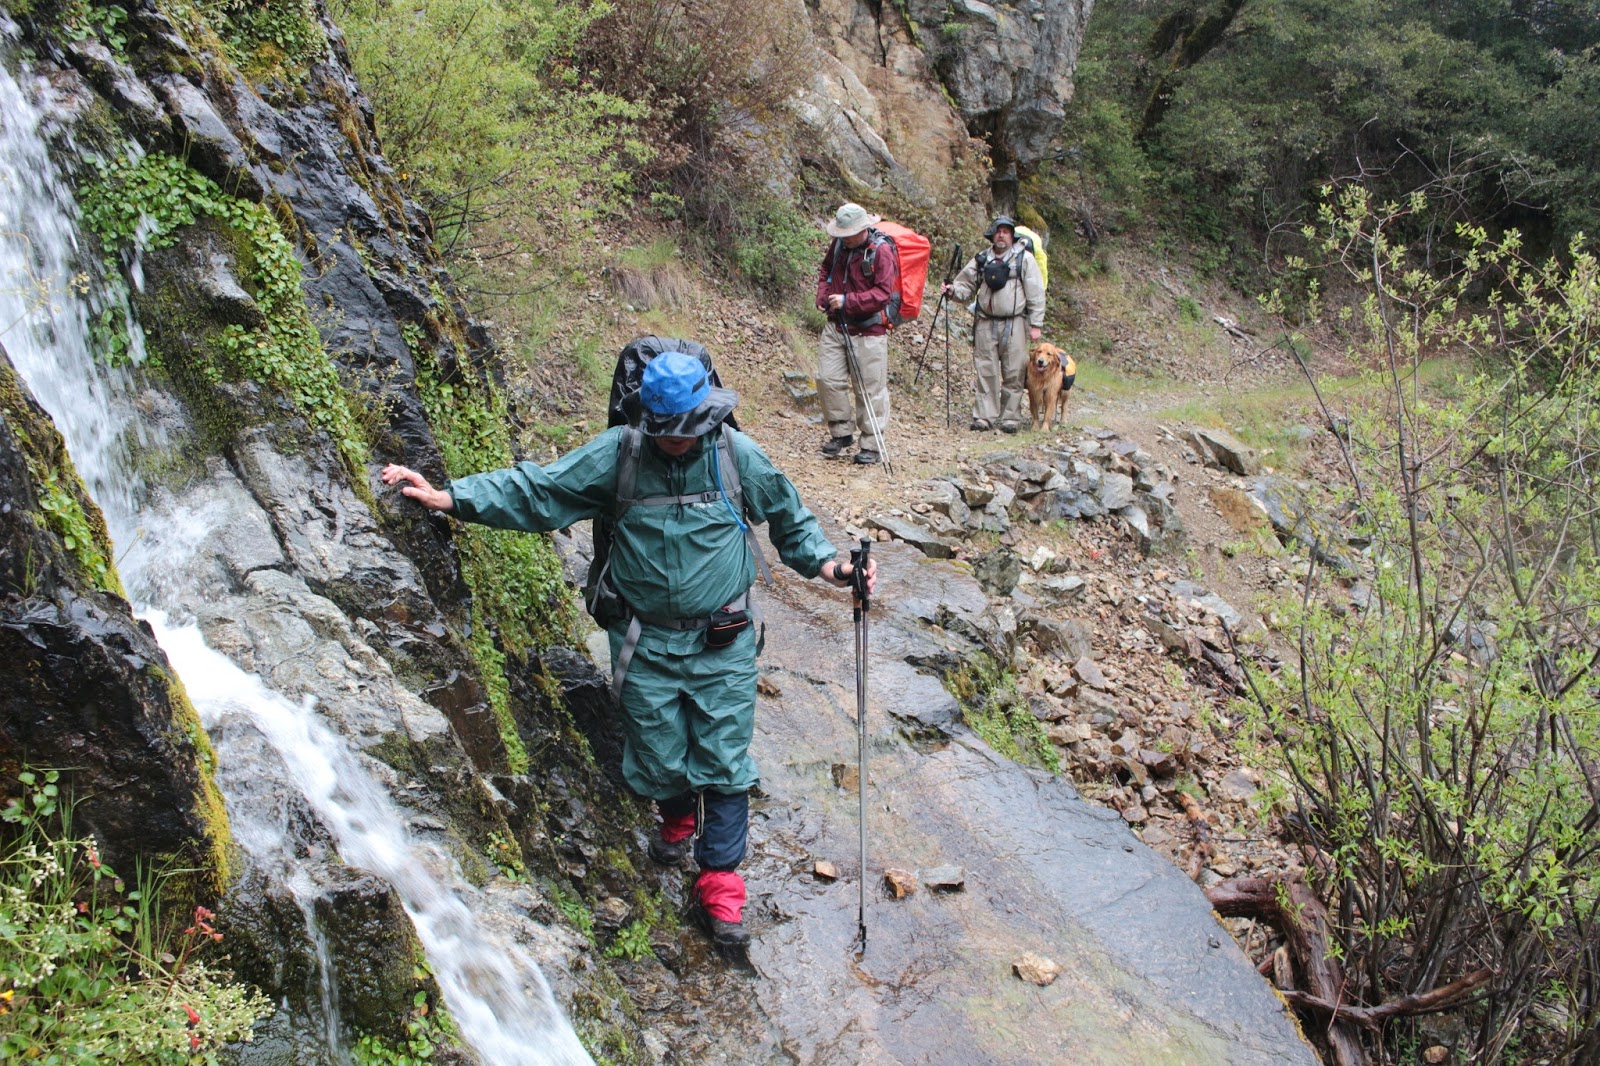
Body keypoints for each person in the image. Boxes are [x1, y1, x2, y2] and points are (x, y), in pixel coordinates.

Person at [381, 350, 877, 949]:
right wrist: (450, 497)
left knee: (722, 759)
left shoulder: (735, 456)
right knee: (656, 749)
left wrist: (835, 566)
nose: (676, 442)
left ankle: (721, 884)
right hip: (644, 640)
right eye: (665, 431)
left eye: (687, 429)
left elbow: (791, 523)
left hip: (723, 639)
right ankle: (676, 818)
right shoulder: (618, 453)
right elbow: (540, 491)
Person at [943, 215, 1046, 434]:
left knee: (1014, 371)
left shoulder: (1024, 259)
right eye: (998, 231)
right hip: (985, 322)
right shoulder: (981, 259)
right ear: (992, 235)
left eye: (1006, 231)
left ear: (1012, 235)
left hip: (1015, 322)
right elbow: (964, 285)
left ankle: (1010, 418)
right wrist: (953, 292)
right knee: (985, 370)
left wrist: (1035, 323)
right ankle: (984, 417)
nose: (1001, 235)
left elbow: (1036, 291)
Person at [815, 202, 900, 465]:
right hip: (836, 324)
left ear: (863, 228)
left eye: (847, 232)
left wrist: (848, 300)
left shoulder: (881, 251)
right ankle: (841, 433)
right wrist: (822, 296)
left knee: (870, 389)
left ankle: (871, 445)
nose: (842, 237)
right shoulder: (840, 244)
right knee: (826, 378)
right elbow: (825, 270)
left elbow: (883, 294)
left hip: (869, 331)